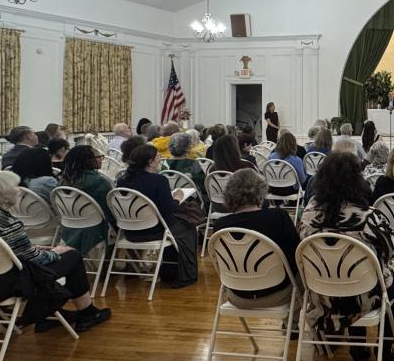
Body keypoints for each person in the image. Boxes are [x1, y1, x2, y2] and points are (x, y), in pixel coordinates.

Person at [0, 171, 110, 332]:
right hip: (3, 284)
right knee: (73, 256)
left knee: (56, 257)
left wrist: (33, 248)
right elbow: (35, 259)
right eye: (15, 187)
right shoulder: (7, 222)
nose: (19, 190)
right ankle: (87, 313)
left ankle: (48, 315)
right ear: (3, 197)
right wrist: (56, 252)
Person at [298, 152, 394, 361]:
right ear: (357, 180)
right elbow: (392, 251)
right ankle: (385, 347)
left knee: (353, 272)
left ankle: (357, 346)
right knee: (389, 279)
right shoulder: (369, 217)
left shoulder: (307, 215)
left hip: (321, 294)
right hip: (362, 296)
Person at [210, 169, 300, 309]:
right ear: (260, 192)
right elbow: (296, 257)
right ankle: (295, 320)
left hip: (237, 296)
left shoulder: (220, 226)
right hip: (278, 294)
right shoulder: (278, 217)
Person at [115, 144, 200, 288]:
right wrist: (177, 198)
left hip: (129, 231)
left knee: (176, 223)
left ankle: (168, 269)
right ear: (150, 161)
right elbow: (169, 209)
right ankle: (181, 272)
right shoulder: (159, 180)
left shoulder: (122, 181)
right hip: (154, 231)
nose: (159, 160)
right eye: (157, 157)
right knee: (188, 226)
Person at [163, 131, 206, 198]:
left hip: (169, 196)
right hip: (190, 197)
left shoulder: (165, 163)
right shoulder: (193, 164)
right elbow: (203, 184)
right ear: (187, 148)